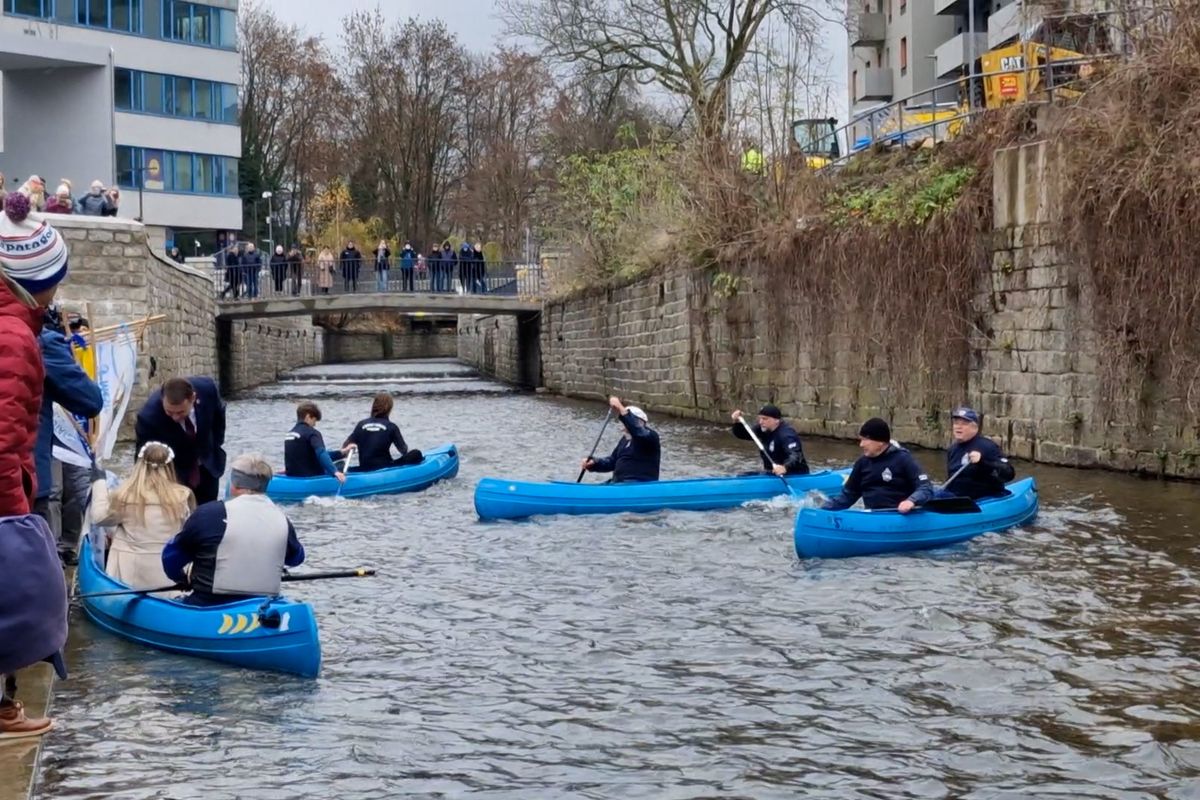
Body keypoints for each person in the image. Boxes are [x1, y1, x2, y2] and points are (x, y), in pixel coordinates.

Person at [0, 189, 70, 738]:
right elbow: (3, 438)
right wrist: (15, 517)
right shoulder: (14, 337)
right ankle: (4, 709)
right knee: (19, 599)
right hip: (7, 493)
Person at [162, 454, 305, 607]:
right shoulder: (282, 520)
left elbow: (170, 559)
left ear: (234, 483)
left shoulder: (207, 514)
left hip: (209, 604)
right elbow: (296, 558)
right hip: (261, 606)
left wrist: (182, 579)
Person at [34, 305, 103, 565]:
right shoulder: (44, 343)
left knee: (75, 490)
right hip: (30, 467)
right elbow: (90, 399)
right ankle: (54, 552)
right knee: (53, 493)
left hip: (68, 437)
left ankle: (66, 547)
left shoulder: (72, 347)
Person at [92, 442, 194, 591]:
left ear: (139, 465)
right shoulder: (183, 497)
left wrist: (99, 483)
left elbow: (99, 517)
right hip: (169, 582)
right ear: (170, 466)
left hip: (127, 580)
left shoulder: (124, 496)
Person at [135, 376, 227, 504]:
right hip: (174, 475)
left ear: (192, 398)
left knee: (208, 510)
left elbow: (219, 416)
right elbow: (143, 455)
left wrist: (216, 444)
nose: (175, 417)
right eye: (169, 412)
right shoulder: (148, 417)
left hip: (208, 467)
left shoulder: (208, 389)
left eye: (180, 412)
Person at [822, 418, 934, 512]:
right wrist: (823, 510)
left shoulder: (903, 459)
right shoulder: (862, 463)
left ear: (880, 442)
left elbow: (925, 488)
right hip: (873, 517)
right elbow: (848, 495)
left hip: (899, 516)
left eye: (865, 440)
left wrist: (911, 501)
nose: (861, 445)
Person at [581, 396, 661, 483]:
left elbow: (638, 431)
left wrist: (620, 407)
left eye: (625, 423)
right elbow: (612, 461)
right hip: (619, 483)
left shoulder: (650, 436)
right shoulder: (625, 440)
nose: (622, 427)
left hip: (638, 483)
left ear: (639, 422)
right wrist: (594, 463)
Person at [942, 406, 1015, 500]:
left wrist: (982, 461)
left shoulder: (987, 447)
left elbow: (1009, 473)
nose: (958, 427)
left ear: (974, 427)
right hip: (957, 497)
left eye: (964, 424)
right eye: (956, 423)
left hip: (981, 498)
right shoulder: (952, 449)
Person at [343, 393, 423, 471]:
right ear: (389, 408)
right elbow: (404, 450)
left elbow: (345, 446)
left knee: (341, 465)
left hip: (364, 467)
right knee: (416, 453)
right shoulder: (391, 426)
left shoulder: (361, 424)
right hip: (384, 467)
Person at [730, 404, 809, 475]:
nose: (761, 422)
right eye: (760, 418)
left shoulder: (786, 434)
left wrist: (785, 467)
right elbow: (743, 434)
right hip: (772, 473)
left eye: (765, 419)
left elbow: (795, 455)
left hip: (793, 474)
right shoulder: (763, 429)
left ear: (776, 420)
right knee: (742, 475)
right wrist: (737, 422)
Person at [284, 401, 352, 481]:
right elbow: (321, 453)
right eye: (314, 420)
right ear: (308, 416)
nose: (314, 424)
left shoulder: (289, 435)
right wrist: (335, 472)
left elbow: (310, 456)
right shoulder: (312, 433)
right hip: (312, 478)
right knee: (341, 465)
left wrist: (342, 453)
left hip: (292, 476)